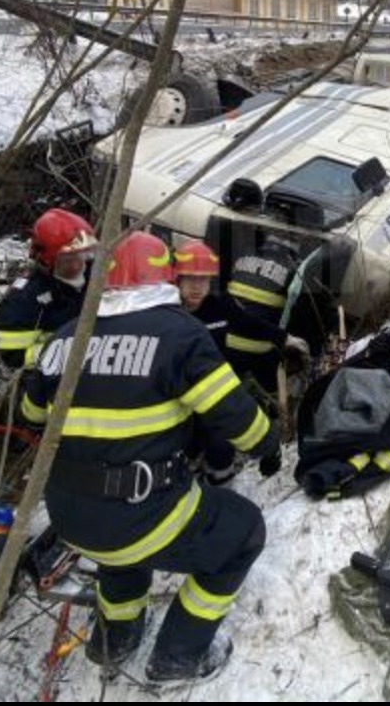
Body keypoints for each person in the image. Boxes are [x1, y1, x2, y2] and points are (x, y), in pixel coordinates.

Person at [19, 232, 281, 682]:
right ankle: (178, 656)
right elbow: (239, 420)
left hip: (69, 517)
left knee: (119, 556)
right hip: (144, 510)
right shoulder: (180, 334)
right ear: (166, 277)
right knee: (243, 533)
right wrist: (269, 443)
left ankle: (114, 641)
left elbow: (30, 414)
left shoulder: (63, 339)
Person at [174, 240, 305, 484]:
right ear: (176, 279)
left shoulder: (219, 306)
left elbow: (246, 322)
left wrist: (285, 338)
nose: (196, 286)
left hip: (213, 394)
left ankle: (219, 485)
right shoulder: (167, 313)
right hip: (179, 401)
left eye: (202, 279)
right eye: (189, 278)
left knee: (220, 448)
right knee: (186, 450)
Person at [0, 208, 97, 369]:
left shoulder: (96, 274)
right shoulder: (24, 300)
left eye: (84, 254)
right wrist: (65, 353)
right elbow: (14, 356)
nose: (80, 264)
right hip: (52, 380)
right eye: (70, 259)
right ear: (49, 261)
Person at [224, 233, 302, 393]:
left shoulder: (244, 254)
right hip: (260, 349)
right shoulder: (294, 270)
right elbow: (293, 315)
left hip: (225, 342)